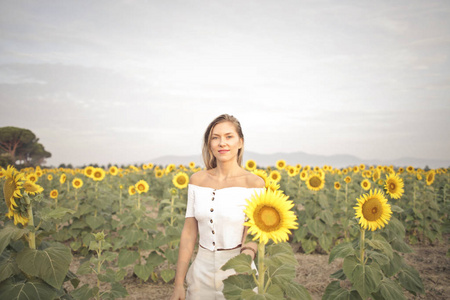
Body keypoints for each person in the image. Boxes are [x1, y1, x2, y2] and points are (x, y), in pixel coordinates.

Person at [170, 114, 265, 300]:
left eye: (229, 136)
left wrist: (245, 261)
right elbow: (189, 234)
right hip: (200, 272)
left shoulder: (254, 183)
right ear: (209, 144)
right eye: (215, 137)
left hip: (238, 271)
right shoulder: (197, 181)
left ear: (240, 142)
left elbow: (253, 233)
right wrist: (178, 283)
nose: (222, 143)